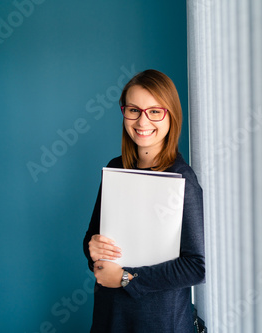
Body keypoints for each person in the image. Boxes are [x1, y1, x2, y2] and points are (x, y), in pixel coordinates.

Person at [83, 69, 205, 332]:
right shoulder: (115, 169)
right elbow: (92, 239)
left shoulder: (182, 179)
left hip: (159, 321)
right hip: (109, 315)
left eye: (154, 111)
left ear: (171, 115)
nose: (142, 121)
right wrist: (92, 249)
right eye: (134, 110)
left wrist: (127, 278)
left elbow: (196, 267)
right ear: (124, 112)